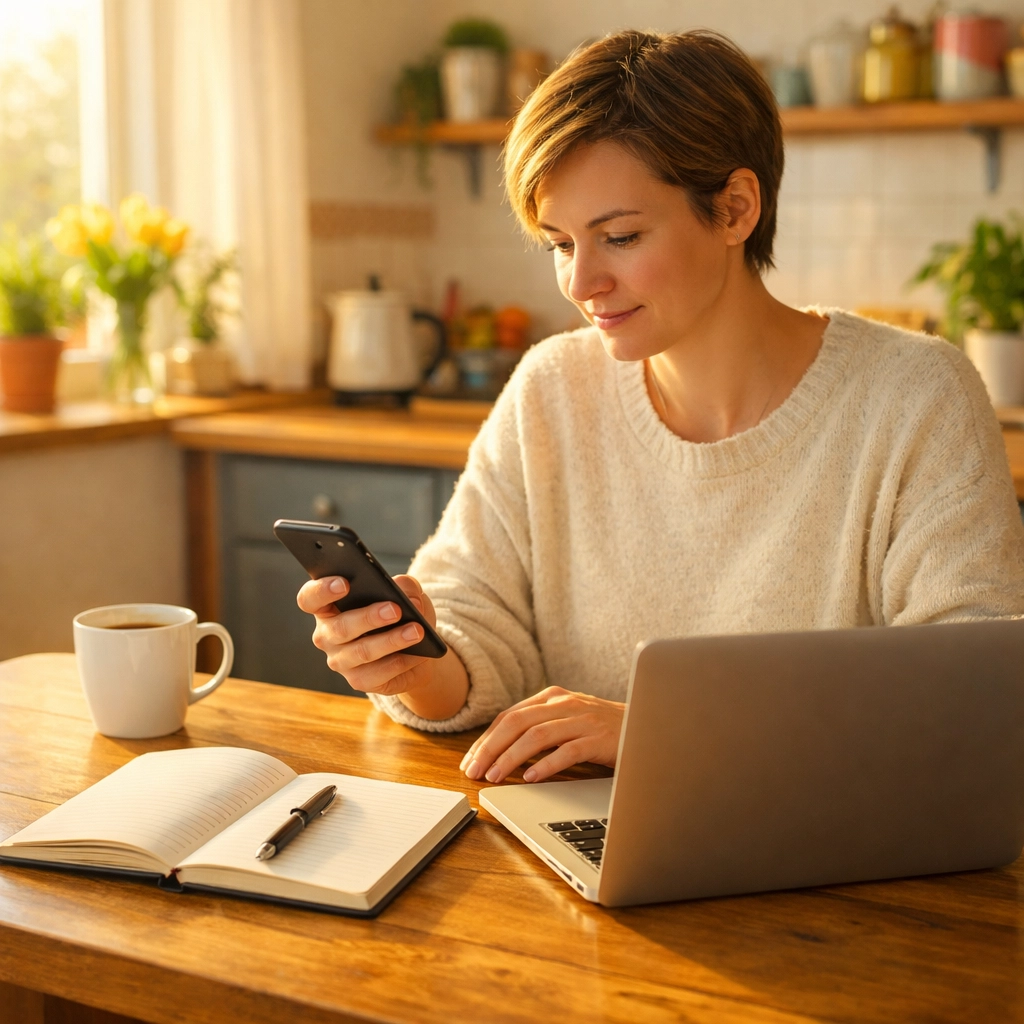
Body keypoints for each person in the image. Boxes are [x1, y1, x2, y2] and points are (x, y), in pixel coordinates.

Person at [298, 30, 1024, 787]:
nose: (581, 283)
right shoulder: (551, 388)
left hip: (830, 867)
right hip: (575, 854)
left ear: (737, 208)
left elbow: (975, 697)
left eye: (619, 236)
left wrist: (662, 733)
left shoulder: (915, 396)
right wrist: (413, 660)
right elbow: (477, 619)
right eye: (559, 244)